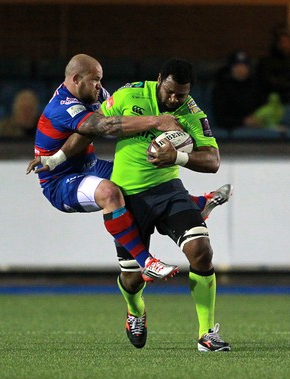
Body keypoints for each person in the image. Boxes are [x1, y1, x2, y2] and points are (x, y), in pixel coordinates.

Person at [29, 56, 232, 352]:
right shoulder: (129, 95)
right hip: (130, 196)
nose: (175, 99)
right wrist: (56, 159)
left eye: (182, 94)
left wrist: (178, 157)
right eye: (170, 92)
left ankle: (206, 334)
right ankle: (135, 310)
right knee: (133, 279)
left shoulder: (191, 112)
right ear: (159, 79)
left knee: (201, 252)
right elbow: (95, 126)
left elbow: (213, 161)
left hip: (167, 189)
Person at [211, 50, 265, 130]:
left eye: (244, 65)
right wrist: (243, 121)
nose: (241, 69)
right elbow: (220, 118)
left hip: (257, 130)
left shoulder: (256, 86)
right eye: (237, 65)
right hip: (231, 134)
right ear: (231, 67)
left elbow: (263, 108)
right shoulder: (221, 88)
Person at [257, 25, 290, 104]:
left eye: (288, 41)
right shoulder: (266, 62)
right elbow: (269, 83)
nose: (285, 45)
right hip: (276, 101)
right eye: (282, 42)